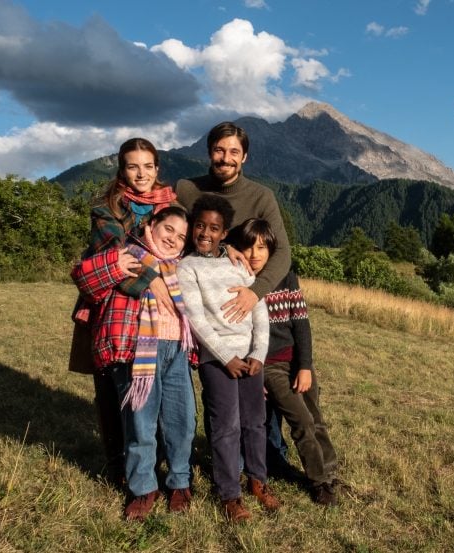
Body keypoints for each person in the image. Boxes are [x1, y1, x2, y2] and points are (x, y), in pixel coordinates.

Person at [71, 207, 197, 521]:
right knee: (141, 424)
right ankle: (143, 488)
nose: (173, 239)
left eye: (181, 236)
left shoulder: (183, 266)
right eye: (168, 229)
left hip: (177, 351)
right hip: (141, 351)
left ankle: (180, 481)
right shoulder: (127, 255)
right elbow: (83, 277)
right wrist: (119, 268)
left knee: (183, 422)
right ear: (151, 225)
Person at [67, 138, 177, 484]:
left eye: (148, 166)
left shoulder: (171, 204)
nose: (141, 173)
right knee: (114, 393)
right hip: (116, 311)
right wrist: (154, 280)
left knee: (158, 394)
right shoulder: (105, 209)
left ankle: (157, 465)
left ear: (157, 168)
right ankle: (118, 467)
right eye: (133, 166)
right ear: (122, 169)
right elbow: (119, 254)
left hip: (160, 318)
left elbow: (188, 243)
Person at [176, 195, 280, 523]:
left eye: (215, 228)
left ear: (225, 233)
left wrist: (258, 354)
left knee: (254, 422)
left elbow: (258, 308)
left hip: (251, 358)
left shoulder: (237, 264)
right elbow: (196, 318)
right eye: (200, 226)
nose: (206, 232)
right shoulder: (187, 267)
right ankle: (228, 494)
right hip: (216, 360)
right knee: (225, 426)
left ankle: (257, 481)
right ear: (193, 228)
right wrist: (225, 357)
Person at [230, 218, 340, 506]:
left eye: (262, 247)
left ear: (271, 251)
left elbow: (301, 325)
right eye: (248, 247)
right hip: (270, 367)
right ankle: (318, 482)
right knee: (301, 421)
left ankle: (330, 473)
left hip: (297, 362)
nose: (255, 254)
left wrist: (305, 366)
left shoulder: (286, 277)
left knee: (316, 419)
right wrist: (257, 373)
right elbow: (239, 334)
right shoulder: (239, 284)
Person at [175, 122, 291, 323]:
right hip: (195, 303)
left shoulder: (261, 197)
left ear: (244, 157)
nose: (226, 159)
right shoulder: (185, 190)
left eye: (234, 152)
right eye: (219, 150)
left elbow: (282, 252)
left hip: (241, 302)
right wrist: (222, 247)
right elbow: (173, 238)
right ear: (209, 152)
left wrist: (255, 292)